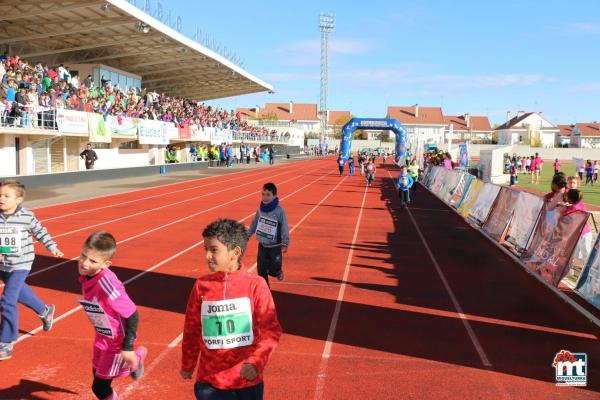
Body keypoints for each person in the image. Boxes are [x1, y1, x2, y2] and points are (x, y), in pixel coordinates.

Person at [181, 219, 282, 400]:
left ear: (235, 252)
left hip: (247, 380)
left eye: (214, 250)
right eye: (206, 250)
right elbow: (192, 329)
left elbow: (271, 331)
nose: (207, 256)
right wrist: (188, 364)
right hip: (210, 381)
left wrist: (256, 362)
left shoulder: (256, 286)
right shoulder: (201, 286)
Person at [78, 231, 147, 400]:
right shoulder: (87, 275)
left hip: (116, 342)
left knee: (99, 388)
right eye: (83, 255)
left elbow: (132, 314)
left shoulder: (108, 285)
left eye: (93, 261)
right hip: (101, 336)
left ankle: (135, 356)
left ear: (106, 264)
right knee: (97, 376)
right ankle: (137, 358)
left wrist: (128, 347)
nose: (84, 263)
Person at [0, 180, 63, 360]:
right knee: (19, 292)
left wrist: (52, 247)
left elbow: (41, 232)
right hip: (2, 264)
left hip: (21, 264)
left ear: (18, 199)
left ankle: (6, 341)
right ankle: (45, 311)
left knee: (7, 301)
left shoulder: (27, 217)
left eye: (6, 196)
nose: (1, 198)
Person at [247, 183, 289, 287]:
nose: (265, 197)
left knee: (274, 267)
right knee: (261, 269)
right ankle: (265, 288)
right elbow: (254, 223)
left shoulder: (279, 211)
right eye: (263, 194)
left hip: (275, 245)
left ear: (274, 196)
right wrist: (247, 235)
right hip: (262, 245)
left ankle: (277, 271)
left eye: (268, 194)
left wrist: (285, 243)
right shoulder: (260, 209)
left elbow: (284, 226)